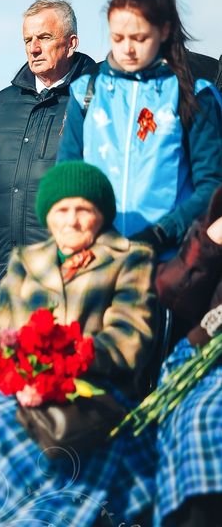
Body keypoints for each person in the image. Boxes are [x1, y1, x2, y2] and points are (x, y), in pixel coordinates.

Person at [0, 161, 157, 525]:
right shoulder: (28, 260)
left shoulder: (130, 258)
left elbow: (129, 337)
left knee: (9, 430)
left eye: (83, 210)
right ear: (48, 215)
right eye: (61, 210)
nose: (72, 221)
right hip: (23, 388)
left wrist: (60, 365)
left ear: (101, 215)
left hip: (92, 393)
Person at [58, 0, 222, 258]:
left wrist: (162, 233)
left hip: (169, 259)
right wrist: (77, 240)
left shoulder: (194, 94)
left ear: (164, 31)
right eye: (118, 38)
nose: (127, 49)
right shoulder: (86, 93)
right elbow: (66, 177)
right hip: (99, 259)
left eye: (139, 38)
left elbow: (212, 186)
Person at [0, 0, 95, 303]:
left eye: (44, 37)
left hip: (69, 271)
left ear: (71, 43)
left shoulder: (95, 98)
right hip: (7, 271)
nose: (34, 48)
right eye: (28, 40)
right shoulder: (2, 104)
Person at [150, 186, 222, 526]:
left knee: (206, 418)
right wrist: (210, 241)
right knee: (189, 412)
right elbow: (172, 292)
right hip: (208, 350)